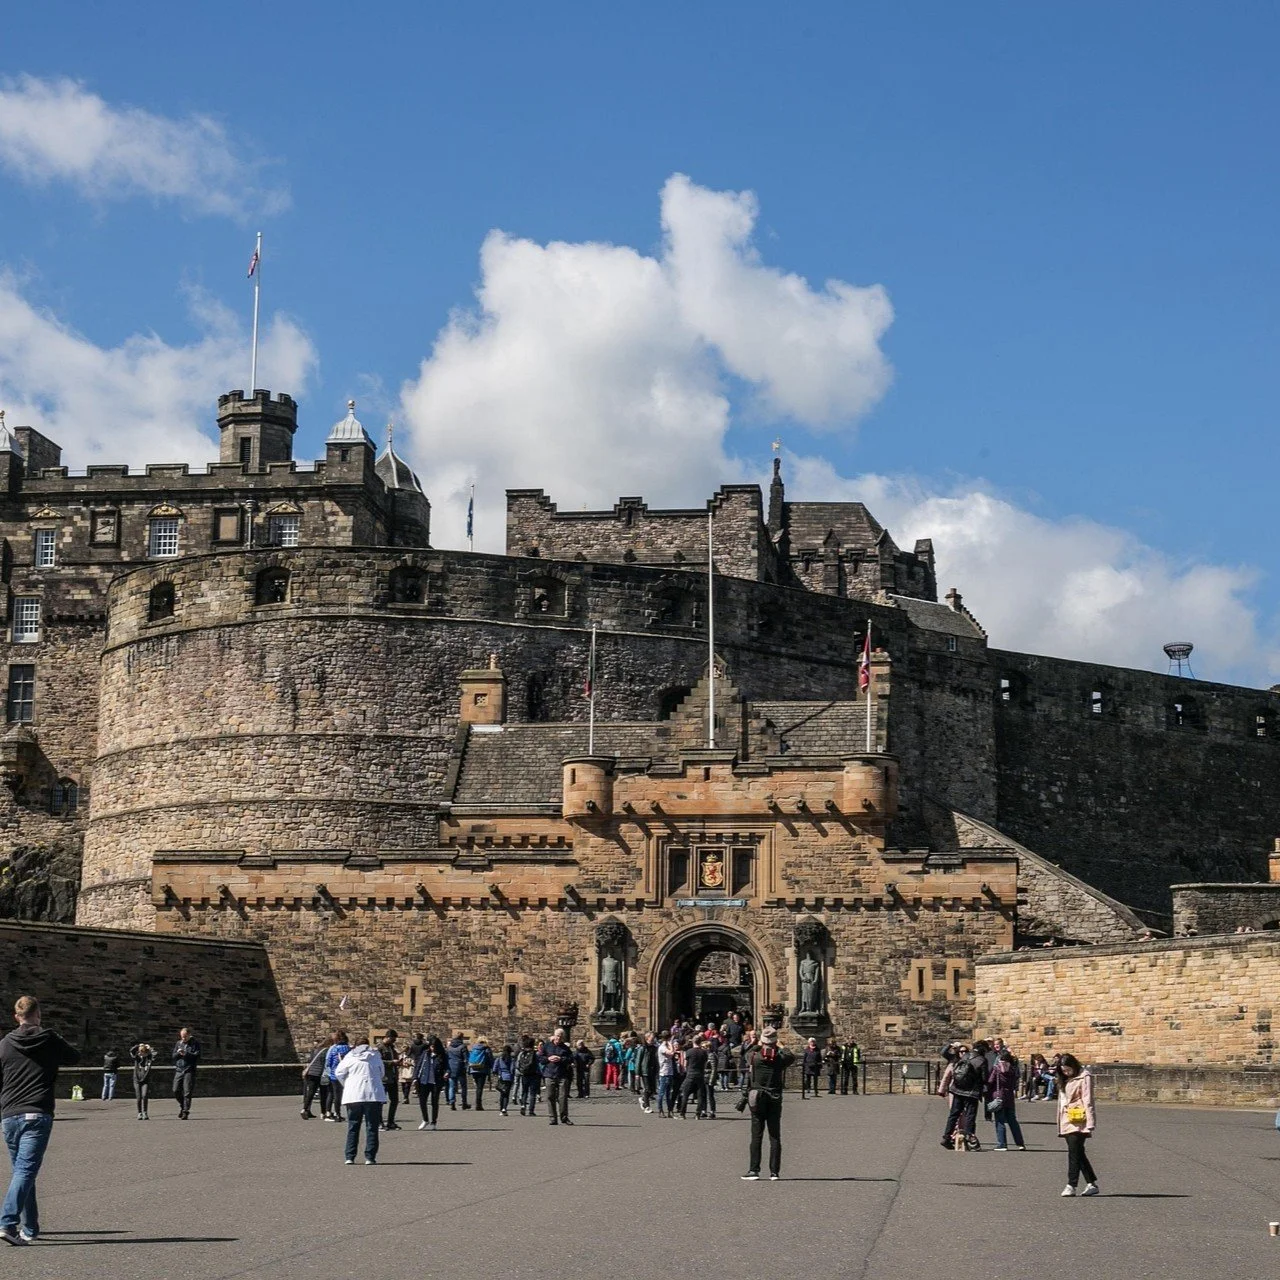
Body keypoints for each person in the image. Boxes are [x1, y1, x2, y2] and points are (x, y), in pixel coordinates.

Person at [0, 995, 79, 1246]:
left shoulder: (4, 1044)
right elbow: (74, 1057)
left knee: (23, 1172)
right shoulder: (49, 1039)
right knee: (25, 1171)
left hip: (10, 1115)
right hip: (37, 1112)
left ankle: (31, 1227)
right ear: (38, 1014)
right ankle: (7, 1223)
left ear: (16, 1017)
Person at [737, 1026, 795, 1181]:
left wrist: (758, 1043)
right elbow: (791, 1056)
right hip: (775, 1097)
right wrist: (780, 1045)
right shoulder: (780, 1058)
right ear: (775, 1041)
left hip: (757, 1098)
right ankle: (774, 1172)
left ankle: (754, 1170)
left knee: (756, 1135)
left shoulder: (754, 1056)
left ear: (763, 1041)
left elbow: (746, 1053)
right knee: (775, 1135)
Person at [335, 1035, 387, 1165]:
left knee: (353, 1125)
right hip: (373, 1095)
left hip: (354, 1095)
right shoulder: (375, 1056)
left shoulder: (350, 1056)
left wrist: (347, 1084)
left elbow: (339, 1073)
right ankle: (370, 1157)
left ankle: (350, 1156)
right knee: (372, 1126)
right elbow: (382, 1073)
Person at [1056, 1053, 1099, 1196]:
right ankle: (1091, 1183)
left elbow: (1088, 1100)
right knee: (1078, 1152)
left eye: (1068, 1069)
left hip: (1079, 1119)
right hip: (1067, 1119)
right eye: (1063, 1070)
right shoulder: (1064, 1079)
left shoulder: (1084, 1077)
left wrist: (1091, 1122)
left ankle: (1071, 1185)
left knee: (1074, 1152)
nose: (1066, 1072)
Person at [940, 1041, 986, 1150]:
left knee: (954, 1114)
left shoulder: (964, 1057)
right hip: (972, 1092)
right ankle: (969, 1138)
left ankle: (946, 1137)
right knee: (970, 1115)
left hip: (957, 1089)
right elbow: (984, 1078)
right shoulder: (982, 1060)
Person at [987, 1048, 1026, 1151]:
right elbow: (1015, 1081)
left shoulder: (997, 1069)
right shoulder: (1013, 1069)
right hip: (1009, 1096)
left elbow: (990, 1081)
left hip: (999, 1095)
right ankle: (1020, 1143)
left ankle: (1002, 1144)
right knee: (1013, 1121)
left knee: (1000, 1121)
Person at [538, 1027, 574, 1126]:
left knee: (562, 1097)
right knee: (550, 1097)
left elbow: (571, 1059)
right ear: (554, 1036)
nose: (559, 1038)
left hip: (562, 1074)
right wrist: (548, 1058)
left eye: (561, 1036)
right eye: (557, 1036)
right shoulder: (547, 1046)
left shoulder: (565, 1048)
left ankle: (564, 1117)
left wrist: (561, 1058)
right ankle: (552, 1118)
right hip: (549, 1074)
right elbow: (540, 1058)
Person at [171, 1027, 201, 1120]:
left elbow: (197, 1056)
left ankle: (185, 1111)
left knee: (187, 1092)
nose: (183, 1039)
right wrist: (179, 1053)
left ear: (189, 1035)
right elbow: (173, 1056)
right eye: (182, 1037)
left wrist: (186, 1054)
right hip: (179, 1069)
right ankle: (182, 1105)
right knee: (175, 1090)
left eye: (185, 1037)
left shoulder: (195, 1044)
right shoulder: (178, 1043)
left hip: (189, 1070)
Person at [414, 1036, 442, 1130]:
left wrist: (447, 1072)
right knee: (422, 1101)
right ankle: (425, 1119)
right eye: (431, 1046)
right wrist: (415, 1077)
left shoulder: (442, 1054)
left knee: (434, 1102)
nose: (432, 1048)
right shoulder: (425, 1053)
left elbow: (447, 1066)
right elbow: (419, 1065)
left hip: (436, 1081)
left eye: (434, 1046)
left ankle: (434, 1121)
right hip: (424, 1080)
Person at [679, 1036, 710, 1119]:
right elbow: (705, 1064)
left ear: (693, 1042)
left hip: (690, 1074)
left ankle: (682, 1113)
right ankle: (697, 1114)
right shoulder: (703, 1052)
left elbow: (685, 1065)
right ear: (700, 1042)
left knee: (685, 1094)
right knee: (700, 1095)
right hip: (700, 1074)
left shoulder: (689, 1051)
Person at [378, 1030, 402, 1129]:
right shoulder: (379, 1048)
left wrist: (399, 1062)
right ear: (387, 1037)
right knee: (380, 1102)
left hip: (392, 1077)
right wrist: (391, 1062)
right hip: (384, 1078)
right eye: (393, 1039)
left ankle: (391, 1122)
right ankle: (379, 1122)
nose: (394, 1041)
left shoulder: (392, 1048)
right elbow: (378, 1061)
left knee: (394, 1100)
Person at [324, 1031, 350, 1120]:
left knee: (336, 1094)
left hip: (334, 1074)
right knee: (347, 1094)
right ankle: (349, 1113)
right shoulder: (348, 1048)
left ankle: (337, 1113)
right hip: (346, 1074)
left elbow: (328, 1062)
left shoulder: (334, 1048)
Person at [301, 1038, 329, 1119]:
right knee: (323, 1094)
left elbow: (310, 1060)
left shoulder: (314, 1051)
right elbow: (325, 1063)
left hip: (311, 1073)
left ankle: (304, 1109)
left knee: (310, 1093)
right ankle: (323, 1113)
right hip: (320, 1074)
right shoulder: (325, 1051)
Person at [467, 1037, 494, 1111]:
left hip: (473, 1069)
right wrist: (492, 1068)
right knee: (480, 1088)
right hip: (482, 1070)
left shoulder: (473, 1048)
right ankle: (478, 1104)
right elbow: (490, 1059)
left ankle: (478, 1103)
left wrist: (469, 1070)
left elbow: (469, 1058)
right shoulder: (486, 1049)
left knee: (477, 1087)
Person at [445, 1033, 470, 1111]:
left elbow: (446, 1058)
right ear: (461, 1038)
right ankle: (464, 1103)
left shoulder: (449, 1048)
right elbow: (466, 1058)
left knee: (451, 1086)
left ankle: (452, 1102)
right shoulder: (463, 1047)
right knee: (463, 1086)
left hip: (451, 1068)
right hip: (460, 1068)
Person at [130, 1042, 154, 1120]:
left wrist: (148, 1048)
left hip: (145, 1080)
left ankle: (145, 1112)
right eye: (140, 1052)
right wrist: (139, 1045)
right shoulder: (136, 1058)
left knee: (144, 1095)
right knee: (139, 1097)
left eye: (143, 1052)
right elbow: (131, 1051)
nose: (142, 1054)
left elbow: (153, 1053)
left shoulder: (149, 1058)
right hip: (136, 1080)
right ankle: (139, 1113)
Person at [635, 1031, 657, 1114]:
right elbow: (638, 1061)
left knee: (652, 1090)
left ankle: (643, 1099)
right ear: (647, 1038)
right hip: (645, 1071)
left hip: (652, 1070)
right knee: (647, 1089)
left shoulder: (655, 1048)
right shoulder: (642, 1048)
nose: (653, 1038)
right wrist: (637, 1073)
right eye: (652, 1037)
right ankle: (647, 1107)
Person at [656, 1032, 676, 1118]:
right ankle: (660, 1110)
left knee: (669, 1093)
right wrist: (671, 1044)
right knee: (662, 1093)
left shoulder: (665, 1046)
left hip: (669, 1072)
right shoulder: (662, 1047)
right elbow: (671, 1053)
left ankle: (670, 1110)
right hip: (664, 1073)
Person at [492, 1044, 516, 1116]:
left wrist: (497, 1073)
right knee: (506, 1094)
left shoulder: (499, 1058)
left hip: (501, 1077)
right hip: (508, 1078)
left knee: (502, 1094)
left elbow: (494, 1068)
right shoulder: (511, 1059)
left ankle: (501, 1108)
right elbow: (512, 1069)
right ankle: (504, 1108)